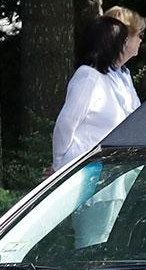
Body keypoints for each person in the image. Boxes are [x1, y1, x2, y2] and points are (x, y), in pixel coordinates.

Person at [51, 15, 140, 171]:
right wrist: (59, 167)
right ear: (109, 44)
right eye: (122, 41)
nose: (124, 45)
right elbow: (65, 124)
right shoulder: (88, 76)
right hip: (82, 167)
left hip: (107, 167)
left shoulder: (114, 78)